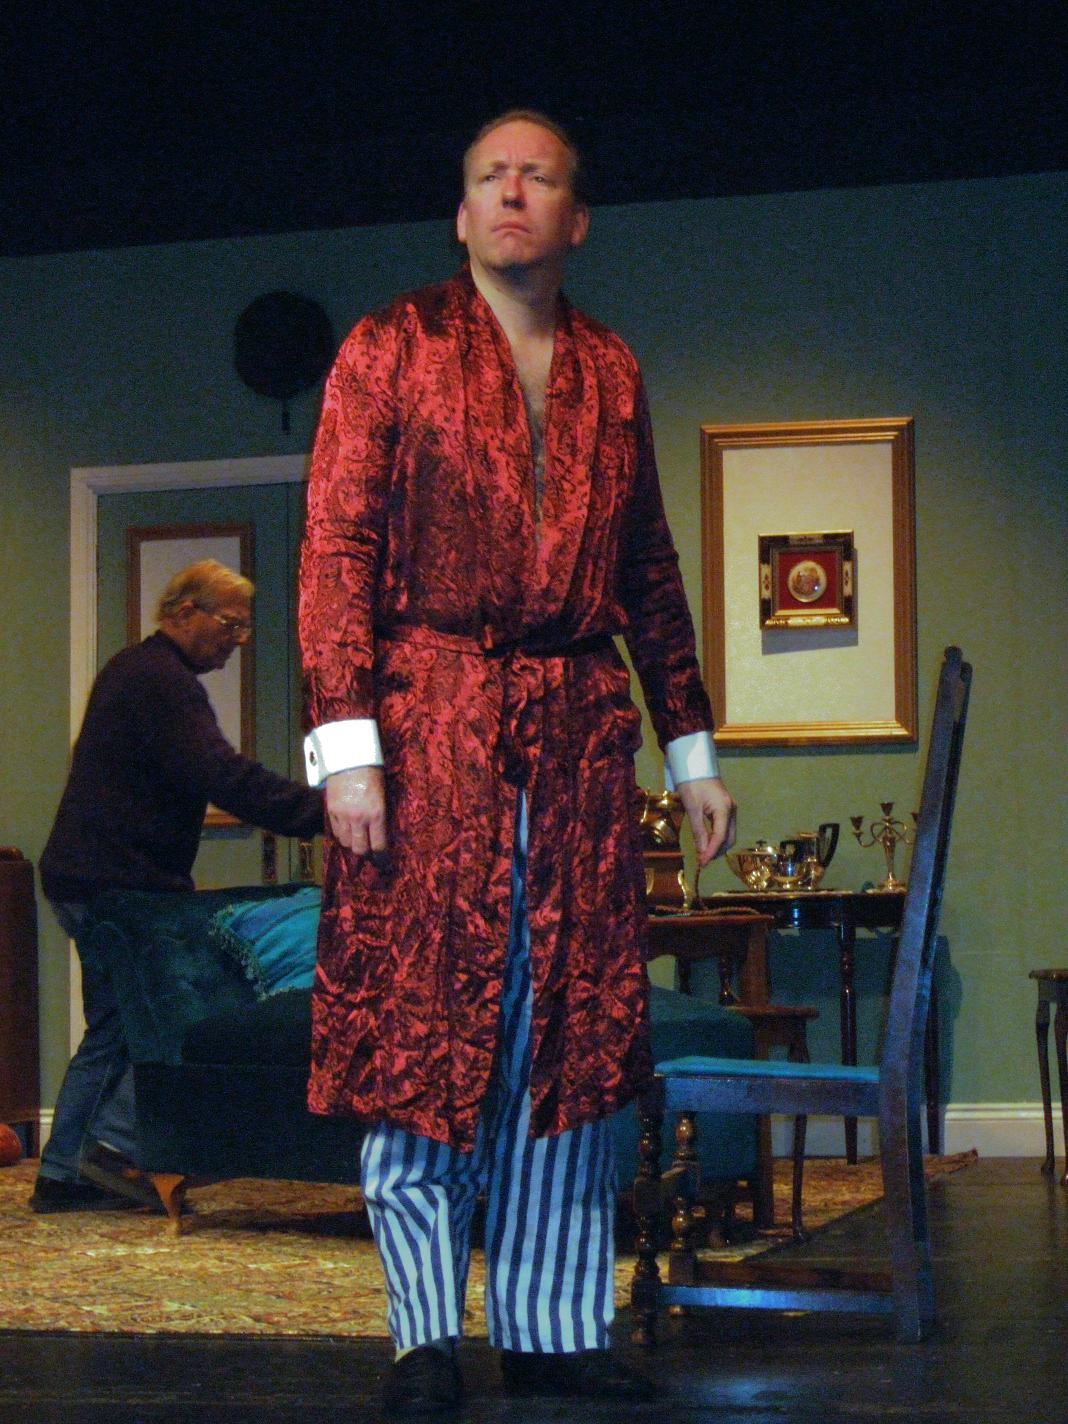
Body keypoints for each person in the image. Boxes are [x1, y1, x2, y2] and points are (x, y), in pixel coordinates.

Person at [298, 110, 736, 1415]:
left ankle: (552, 1327)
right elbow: (335, 549)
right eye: (490, 176)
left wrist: (692, 748)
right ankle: (424, 1336)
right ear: (461, 213)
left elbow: (647, 566)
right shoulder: (391, 345)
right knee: (428, 1025)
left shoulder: (611, 370)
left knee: (569, 1032)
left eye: (537, 177)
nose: (511, 192)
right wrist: (348, 748)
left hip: (578, 741)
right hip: (425, 730)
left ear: (574, 219)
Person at [32, 559, 324, 1213]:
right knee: (150, 1021)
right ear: (183, 612)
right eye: (230, 623)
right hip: (116, 884)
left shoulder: (142, 674)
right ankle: (98, 1154)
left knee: (115, 1026)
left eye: (245, 627)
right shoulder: (159, 681)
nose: (239, 638)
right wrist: (325, 812)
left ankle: (65, 1172)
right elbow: (223, 775)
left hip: (93, 878)